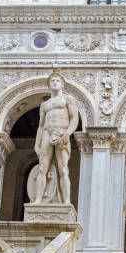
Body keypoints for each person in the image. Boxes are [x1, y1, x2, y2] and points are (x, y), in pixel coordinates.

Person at [33, 68, 79, 204]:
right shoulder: (45, 105)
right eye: (52, 81)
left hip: (61, 133)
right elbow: (41, 127)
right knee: (42, 168)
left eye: (57, 80)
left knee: (63, 168)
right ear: (49, 85)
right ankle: (38, 199)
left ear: (62, 84)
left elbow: (74, 118)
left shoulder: (68, 99)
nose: (54, 82)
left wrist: (68, 133)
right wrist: (37, 143)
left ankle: (66, 201)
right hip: (47, 133)